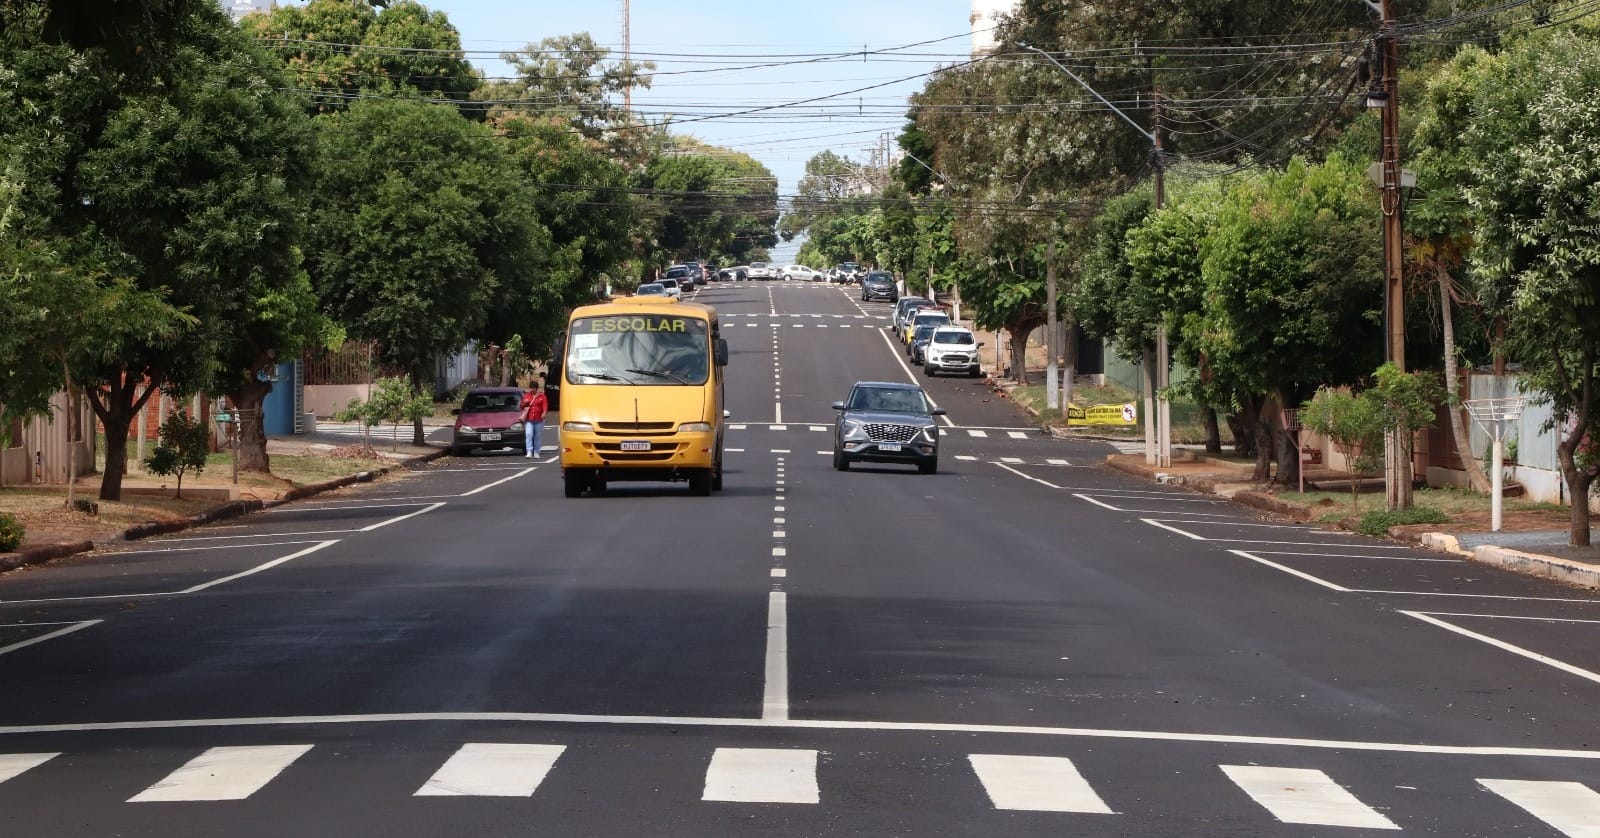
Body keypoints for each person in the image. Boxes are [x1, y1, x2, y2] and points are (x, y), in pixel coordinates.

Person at [520, 379, 548, 458]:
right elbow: (521, 406)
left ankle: (536, 451)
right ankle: (529, 451)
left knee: (537, 436)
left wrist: (544, 412)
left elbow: (545, 405)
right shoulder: (526, 396)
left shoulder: (542, 396)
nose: (532, 390)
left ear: (536, 388)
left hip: (539, 420)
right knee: (529, 434)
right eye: (531, 388)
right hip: (529, 419)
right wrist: (524, 403)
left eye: (533, 388)